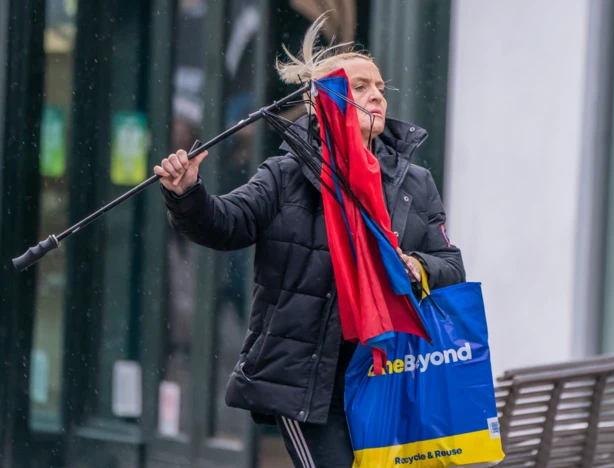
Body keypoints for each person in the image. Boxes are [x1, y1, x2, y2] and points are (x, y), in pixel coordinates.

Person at [154, 14, 465, 468]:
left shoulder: (413, 182)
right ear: (326, 102)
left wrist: (417, 267)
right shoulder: (285, 174)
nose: (377, 94)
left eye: (380, 86)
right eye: (360, 87)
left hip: (385, 374)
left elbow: (451, 265)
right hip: (307, 382)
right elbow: (226, 224)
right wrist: (186, 193)